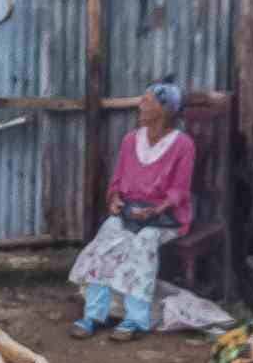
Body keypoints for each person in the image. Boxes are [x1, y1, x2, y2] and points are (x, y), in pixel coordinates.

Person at [76, 81, 194, 337]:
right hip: (131, 211)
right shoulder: (131, 140)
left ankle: (135, 320)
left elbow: (179, 191)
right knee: (106, 238)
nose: (140, 105)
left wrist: (156, 210)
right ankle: (94, 315)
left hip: (166, 216)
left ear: (163, 109)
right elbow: (117, 180)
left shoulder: (183, 145)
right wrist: (115, 199)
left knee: (144, 244)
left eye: (147, 100)